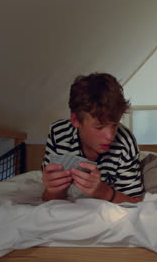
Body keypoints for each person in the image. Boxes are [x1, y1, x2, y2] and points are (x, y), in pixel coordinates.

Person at [41, 72, 144, 203]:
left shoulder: (124, 141)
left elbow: (135, 202)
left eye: (114, 125)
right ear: (75, 120)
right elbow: (48, 199)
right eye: (99, 127)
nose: (110, 136)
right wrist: (53, 190)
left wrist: (103, 192)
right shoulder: (58, 133)